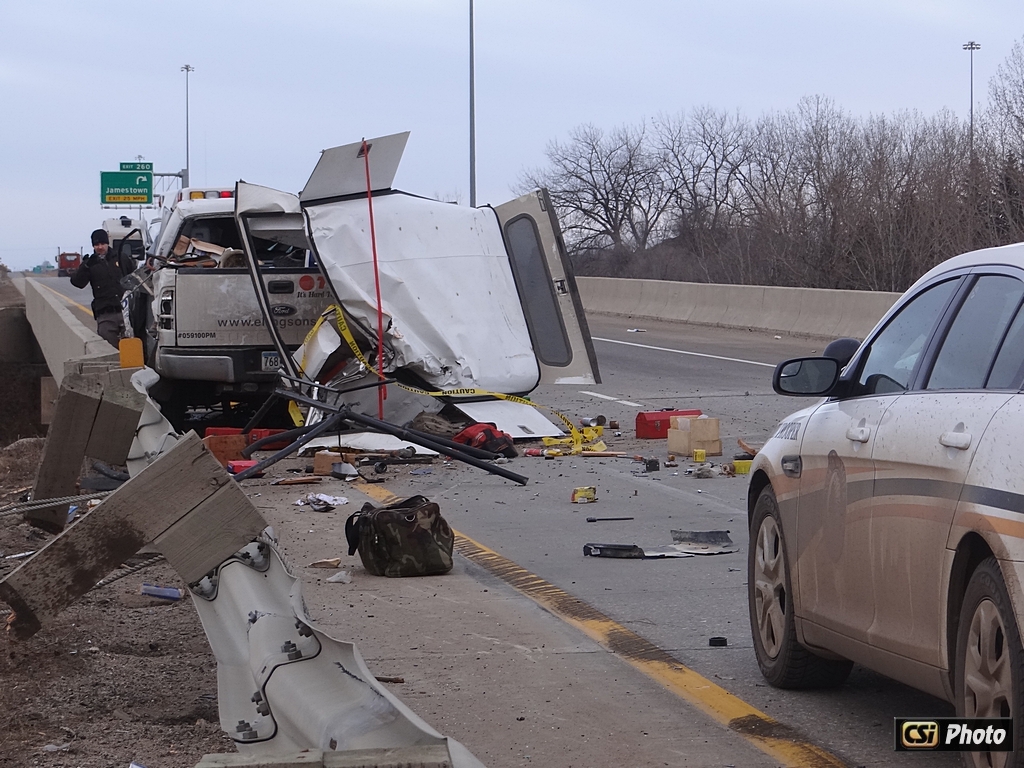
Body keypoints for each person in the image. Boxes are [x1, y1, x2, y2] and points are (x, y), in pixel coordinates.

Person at [70, 228, 132, 347]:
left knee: (129, 347)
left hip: (125, 312)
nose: (100, 247)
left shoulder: (121, 258)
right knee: (108, 347)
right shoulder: (91, 264)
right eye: (96, 244)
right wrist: (86, 267)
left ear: (107, 243)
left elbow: (134, 278)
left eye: (102, 244)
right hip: (105, 314)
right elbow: (77, 283)